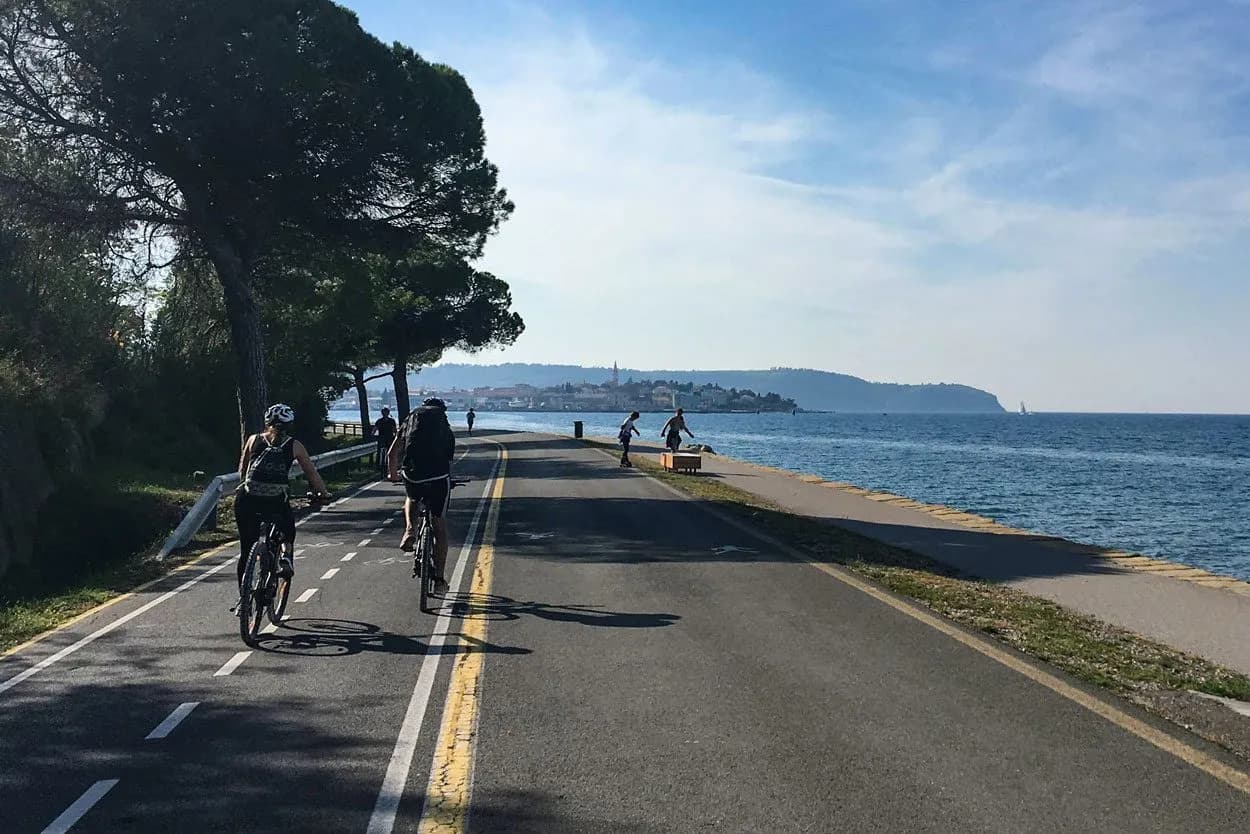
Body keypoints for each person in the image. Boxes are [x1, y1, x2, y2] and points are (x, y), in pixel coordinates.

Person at [235, 403, 330, 589]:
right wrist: (323, 493)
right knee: (287, 527)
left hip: (247, 500)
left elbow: (243, 471)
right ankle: (286, 555)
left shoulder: (253, 440)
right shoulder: (295, 445)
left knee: (246, 549)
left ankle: (243, 599)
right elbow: (312, 474)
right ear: (290, 425)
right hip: (274, 500)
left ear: (267, 422)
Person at [389, 397, 457, 594]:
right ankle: (439, 581)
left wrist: (393, 474)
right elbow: (448, 459)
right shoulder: (444, 426)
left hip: (413, 474)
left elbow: (392, 453)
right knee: (439, 526)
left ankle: (410, 530)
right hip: (438, 476)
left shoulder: (410, 420)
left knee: (411, 497)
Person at [373, 407, 398, 477]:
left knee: (388, 454)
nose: (385, 414)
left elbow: (394, 430)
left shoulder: (385, 421)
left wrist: (373, 435)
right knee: (383, 453)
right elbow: (375, 429)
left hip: (387, 440)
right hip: (384, 440)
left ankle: (385, 467)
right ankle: (381, 467)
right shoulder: (382, 421)